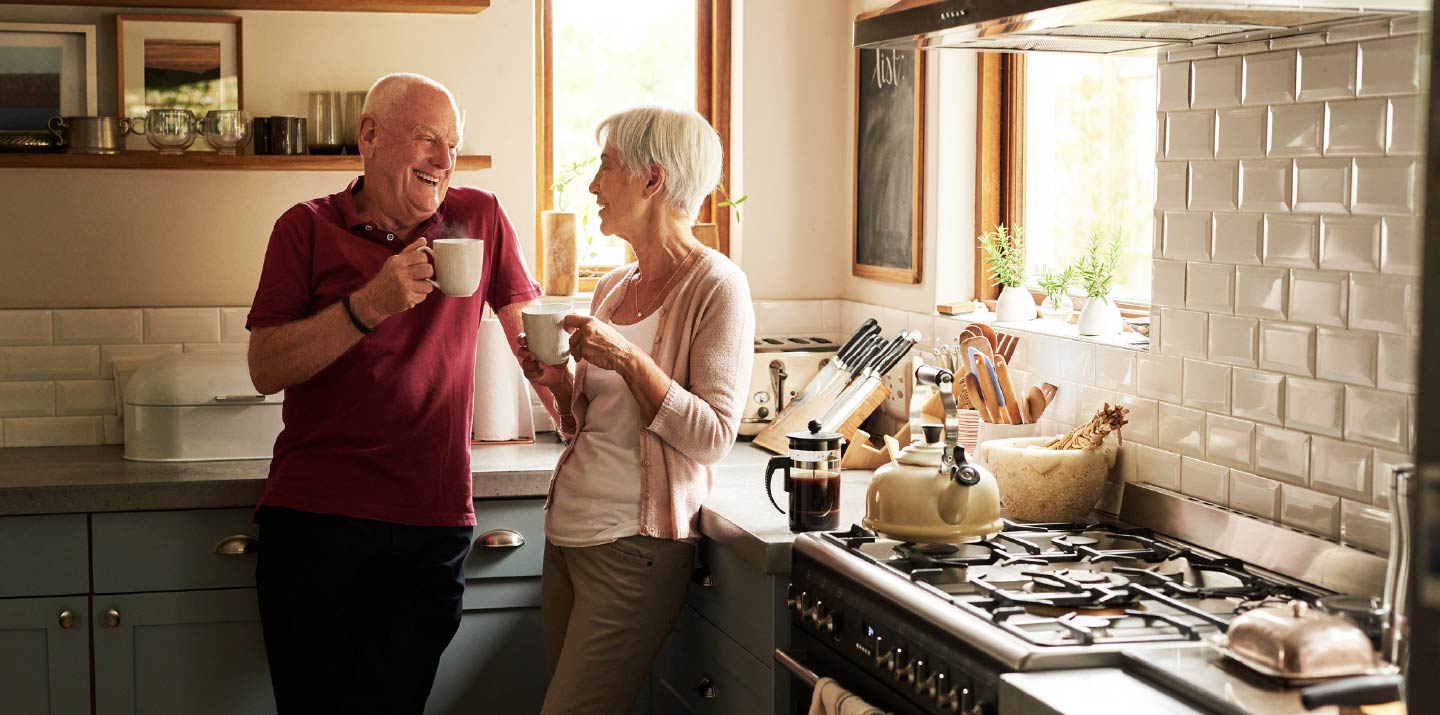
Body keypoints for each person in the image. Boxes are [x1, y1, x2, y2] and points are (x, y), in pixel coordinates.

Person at [245, 73, 548, 714]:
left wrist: (581, 412)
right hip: (315, 521)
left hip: (430, 526)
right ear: (370, 136)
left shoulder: (478, 217)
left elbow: (532, 341)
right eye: (427, 140)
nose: (444, 161)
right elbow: (265, 366)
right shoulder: (304, 228)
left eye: (454, 146)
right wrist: (371, 304)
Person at [519, 105, 755, 714]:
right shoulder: (613, 287)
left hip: (634, 548)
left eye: (606, 167)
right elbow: (587, 425)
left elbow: (713, 437)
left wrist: (628, 360)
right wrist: (559, 383)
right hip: (566, 537)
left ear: (653, 180)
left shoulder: (717, 286)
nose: (594, 185)